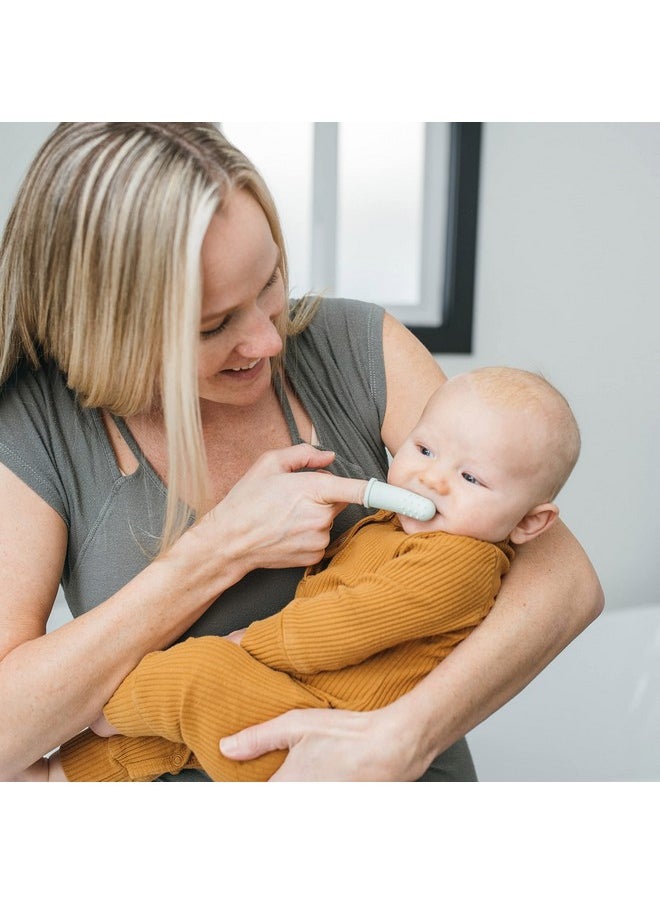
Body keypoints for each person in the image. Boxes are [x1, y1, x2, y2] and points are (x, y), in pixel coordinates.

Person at [0, 123, 603, 784]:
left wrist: (401, 737)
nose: (268, 339)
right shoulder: (36, 424)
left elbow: (564, 579)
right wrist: (222, 548)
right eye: (214, 325)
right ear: (105, 325)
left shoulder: (353, 341)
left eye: (270, 283)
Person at [30, 366, 580, 782]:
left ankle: (108, 711)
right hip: (289, 702)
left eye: (470, 478)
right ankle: (68, 775)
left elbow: (348, 624)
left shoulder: (462, 564)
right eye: (425, 448)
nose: (431, 480)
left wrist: (250, 644)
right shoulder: (387, 525)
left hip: (321, 735)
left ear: (531, 523)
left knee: (201, 671)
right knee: (181, 738)